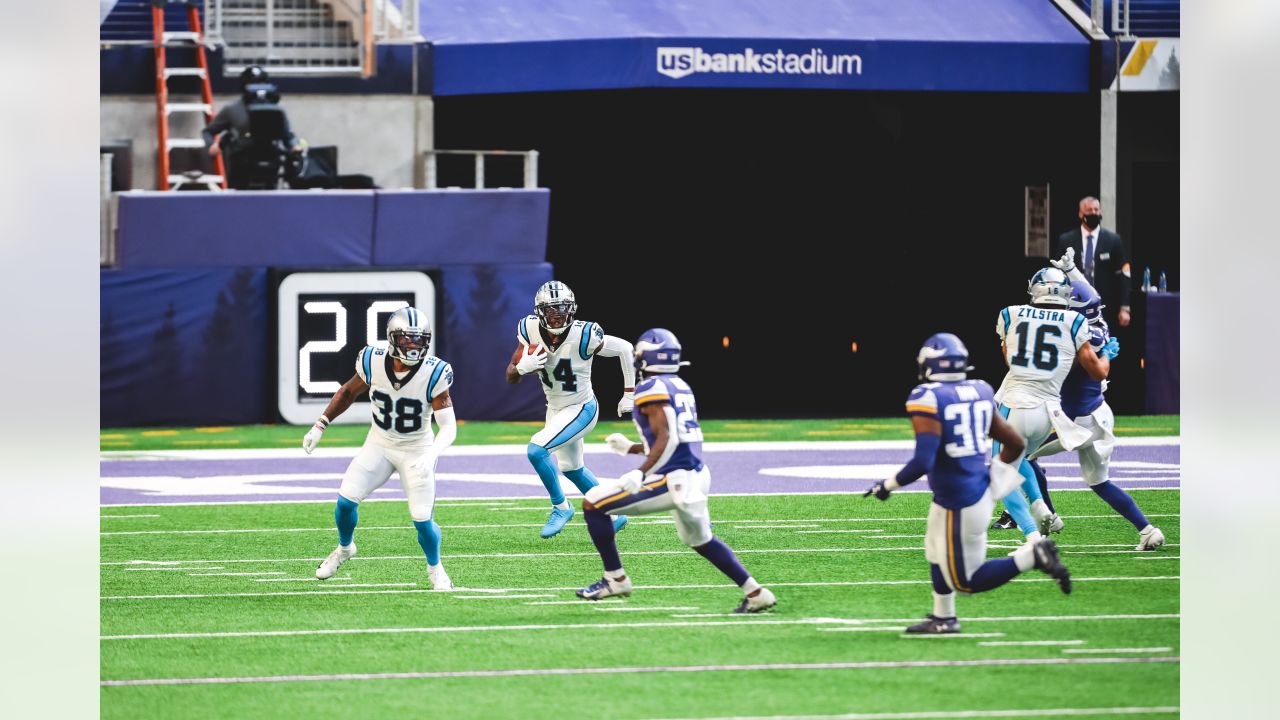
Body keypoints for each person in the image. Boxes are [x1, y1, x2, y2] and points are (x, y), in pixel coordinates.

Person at [863, 333, 1071, 634]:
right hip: (969, 491)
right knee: (934, 550)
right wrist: (996, 478)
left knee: (966, 581)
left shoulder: (927, 396)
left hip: (959, 499)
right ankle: (943, 618)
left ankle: (1031, 558)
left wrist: (887, 485)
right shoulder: (980, 390)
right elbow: (1014, 442)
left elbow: (924, 460)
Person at [577, 328, 777, 613]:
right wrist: (631, 448)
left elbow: (667, 438)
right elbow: (673, 439)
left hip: (673, 478)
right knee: (701, 540)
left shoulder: (651, 388)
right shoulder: (679, 385)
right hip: (695, 472)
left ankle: (615, 579)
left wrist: (641, 472)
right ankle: (756, 593)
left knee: (593, 503)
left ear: (646, 358)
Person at [1018, 249, 1166, 551]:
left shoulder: (1074, 333)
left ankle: (1047, 519)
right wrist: (1073, 271)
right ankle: (1147, 530)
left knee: (1022, 455)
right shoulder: (1096, 323)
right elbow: (1090, 296)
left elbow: (1091, 369)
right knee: (1100, 482)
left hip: (1075, 421)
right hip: (1098, 414)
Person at [301, 306, 456, 591]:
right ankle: (345, 548)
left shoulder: (435, 372)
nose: (413, 346)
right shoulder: (372, 360)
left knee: (422, 520)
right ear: (392, 339)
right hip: (380, 443)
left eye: (419, 339)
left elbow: (448, 426)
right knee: (345, 501)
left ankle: (435, 567)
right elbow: (348, 392)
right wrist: (320, 424)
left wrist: (432, 453)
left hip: (417, 448)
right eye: (407, 339)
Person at [505, 281, 634, 538]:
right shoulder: (529, 329)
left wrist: (628, 393)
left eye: (561, 309)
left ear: (571, 309)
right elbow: (510, 375)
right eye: (550, 310)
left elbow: (625, 348)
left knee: (536, 450)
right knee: (571, 468)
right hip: (555, 408)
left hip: (581, 407)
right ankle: (614, 513)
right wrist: (521, 367)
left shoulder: (585, 334)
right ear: (539, 312)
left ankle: (561, 507)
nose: (556, 315)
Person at [990, 267, 1111, 542]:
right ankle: (1042, 509)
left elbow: (1009, 358)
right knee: (1022, 461)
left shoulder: (1010, 313)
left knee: (1002, 471)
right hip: (1049, 414)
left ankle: (1033, 537)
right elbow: (1099, 372)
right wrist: (1108, 357)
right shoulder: (1076, 321)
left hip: (1016, 405)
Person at [201, 65, 305, 189]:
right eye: (253, 84)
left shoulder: (277, 110)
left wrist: (294, 146)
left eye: (261, 83)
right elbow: (208, 132)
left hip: (270, 163)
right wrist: (211, 145)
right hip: (240, 164)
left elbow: (287, 135)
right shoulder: (232, 109)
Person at [1057, 197, 1131, 328]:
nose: (1093, 213)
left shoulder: (1113, 240)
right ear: (1081, 214)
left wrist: (1124, 308)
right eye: (1089, 210)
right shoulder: (1066, 240)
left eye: (1096, 210)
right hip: (1074, 305)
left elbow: (1123, 275)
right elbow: (1058, 273)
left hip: (1105, 307)